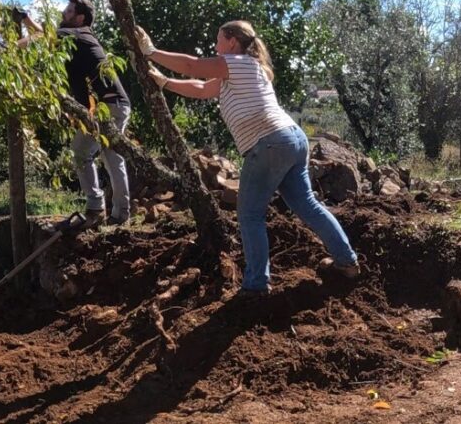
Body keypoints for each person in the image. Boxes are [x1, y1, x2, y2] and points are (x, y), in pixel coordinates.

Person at [136, 20, 361, 295]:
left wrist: (151, 51)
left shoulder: (237, 62)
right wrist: (165, 82)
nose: (216, 45)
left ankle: (256, 285)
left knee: (250, 214)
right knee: (307, 205)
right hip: (292, 139)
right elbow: (201, 88)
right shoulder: (244, 71)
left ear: (232, 41)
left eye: (218, 39)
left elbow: (193, 65)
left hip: (269, 143)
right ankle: (346, 262)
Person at [21, 0, 132, 225]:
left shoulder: (80, 35)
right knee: (105, 156)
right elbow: (51, 37)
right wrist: (26, 20)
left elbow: (46, 37)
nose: (64, 13)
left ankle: (103, 210)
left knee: (90, 152)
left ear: (80, 18)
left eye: (69, 11)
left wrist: (10, 47)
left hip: (111, 106)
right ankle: (115, 213)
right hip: (108, 106)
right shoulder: (75, 39)